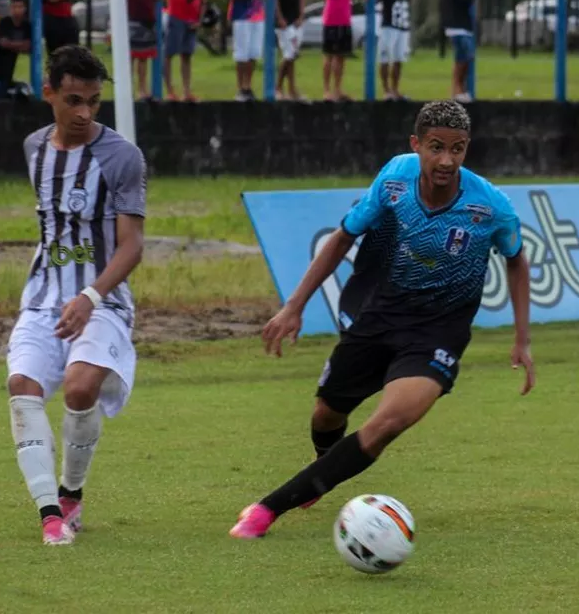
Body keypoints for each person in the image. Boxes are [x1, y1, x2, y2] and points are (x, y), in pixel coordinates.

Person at [229, 100, 535, 539]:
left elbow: (516, 259)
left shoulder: (490, 206)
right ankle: (325, 467)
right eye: (436, 147)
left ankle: (266, 510)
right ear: (416, 145)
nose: (446, 160)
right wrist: (294, 306)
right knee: (326, 413)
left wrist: (522, 339)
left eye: (458, 149)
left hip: (439, 333)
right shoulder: (394, 180)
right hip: (382, 315)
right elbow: (343, 236)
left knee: (385, 424)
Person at [7, 45, 147, 546]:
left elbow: (132, 248)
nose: (84, 112)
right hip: (43, 296)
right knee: (22, 385)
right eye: (73, 100)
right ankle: (49, 514)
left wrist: (89, 294)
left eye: (93, 101)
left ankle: (71, 492)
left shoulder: (122, 157)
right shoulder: (33, 149)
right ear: (49, 94)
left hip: (102, 299)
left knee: (80, 388)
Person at [163, 0, 208, 101]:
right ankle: (170, 90)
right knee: (169, 53)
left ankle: (187, 91)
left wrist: (199, 20)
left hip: (192, 20)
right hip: (176, 16)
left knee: (187, 55)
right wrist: (168, 7)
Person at [229, 0, 270, 101]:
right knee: (242, 54)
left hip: (258, 16)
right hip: (241, 16)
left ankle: (248, 86)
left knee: (254, 52)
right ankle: (240, 87)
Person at [376, 0, 412, 101]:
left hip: (401, 24)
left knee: (398, 58)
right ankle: (386, 90)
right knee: (384, 57)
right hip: (387, 24)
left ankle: (395, 88)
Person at [127, 0, 163, 101]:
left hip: (148, 19)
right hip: (134, 17)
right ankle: (128, 88)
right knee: (131, 55)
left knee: (144, 56)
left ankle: (142, 89)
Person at [322, 0, 357, 102]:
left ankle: (338, 89)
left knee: (341, 55)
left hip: (345, 16)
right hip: (331, 17)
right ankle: (326, 90)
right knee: (329, 54)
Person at [271, 0, 306, 101]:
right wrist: (279, 17)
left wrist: (301, 15)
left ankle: (292, 89)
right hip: (283, 20)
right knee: (288, 53)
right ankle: (277, 88)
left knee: (292, 55)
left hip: (295, 19)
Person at [440, 0, 474, 103]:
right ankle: (457, 88)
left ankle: (460, 88)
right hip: (456, 25)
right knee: (463, 54)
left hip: (464, 24)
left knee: (465, 57)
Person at [0, 0, 33, 99]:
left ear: (25, 8)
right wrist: (20, 45)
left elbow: (28, 46)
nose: (17, 10)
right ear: (10, 8)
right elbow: (3, 43)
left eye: (20, 7)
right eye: (14, 7)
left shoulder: (27, 25)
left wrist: (11, 44)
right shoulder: (4, 22)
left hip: (16, 69)